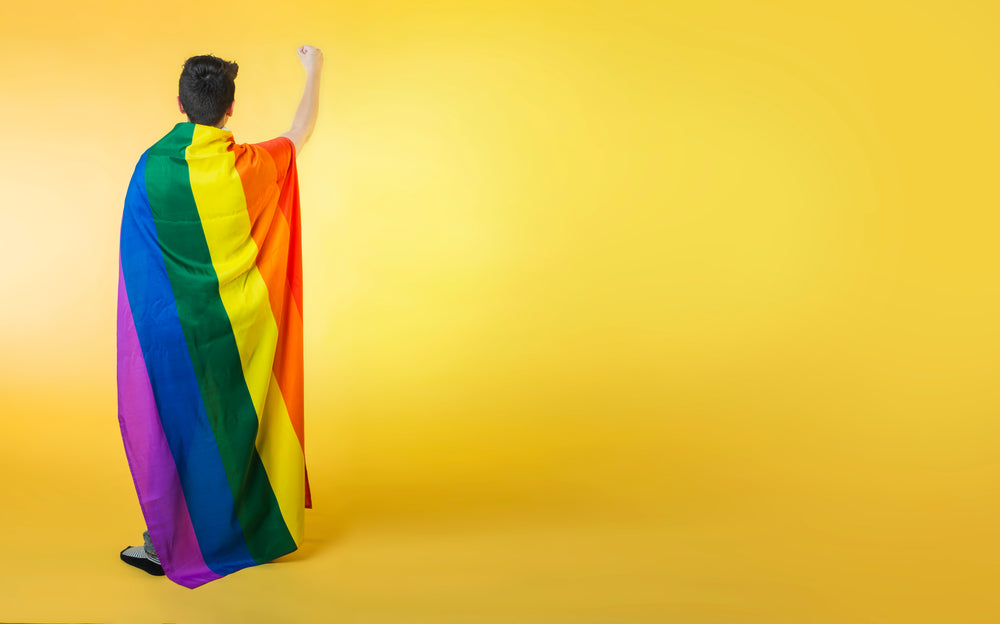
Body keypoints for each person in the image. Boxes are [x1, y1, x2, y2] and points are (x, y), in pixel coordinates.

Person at [116, 46, 322, 588]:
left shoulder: (151, 165)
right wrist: (313, 69)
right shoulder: (248, 165)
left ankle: (164, 545)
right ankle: (246, 529)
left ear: (180, 105)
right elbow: (300, 133)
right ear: (230, 108)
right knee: (232, 424)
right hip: (238, 328)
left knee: (176, 431)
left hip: (169, 330)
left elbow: (139, 252)